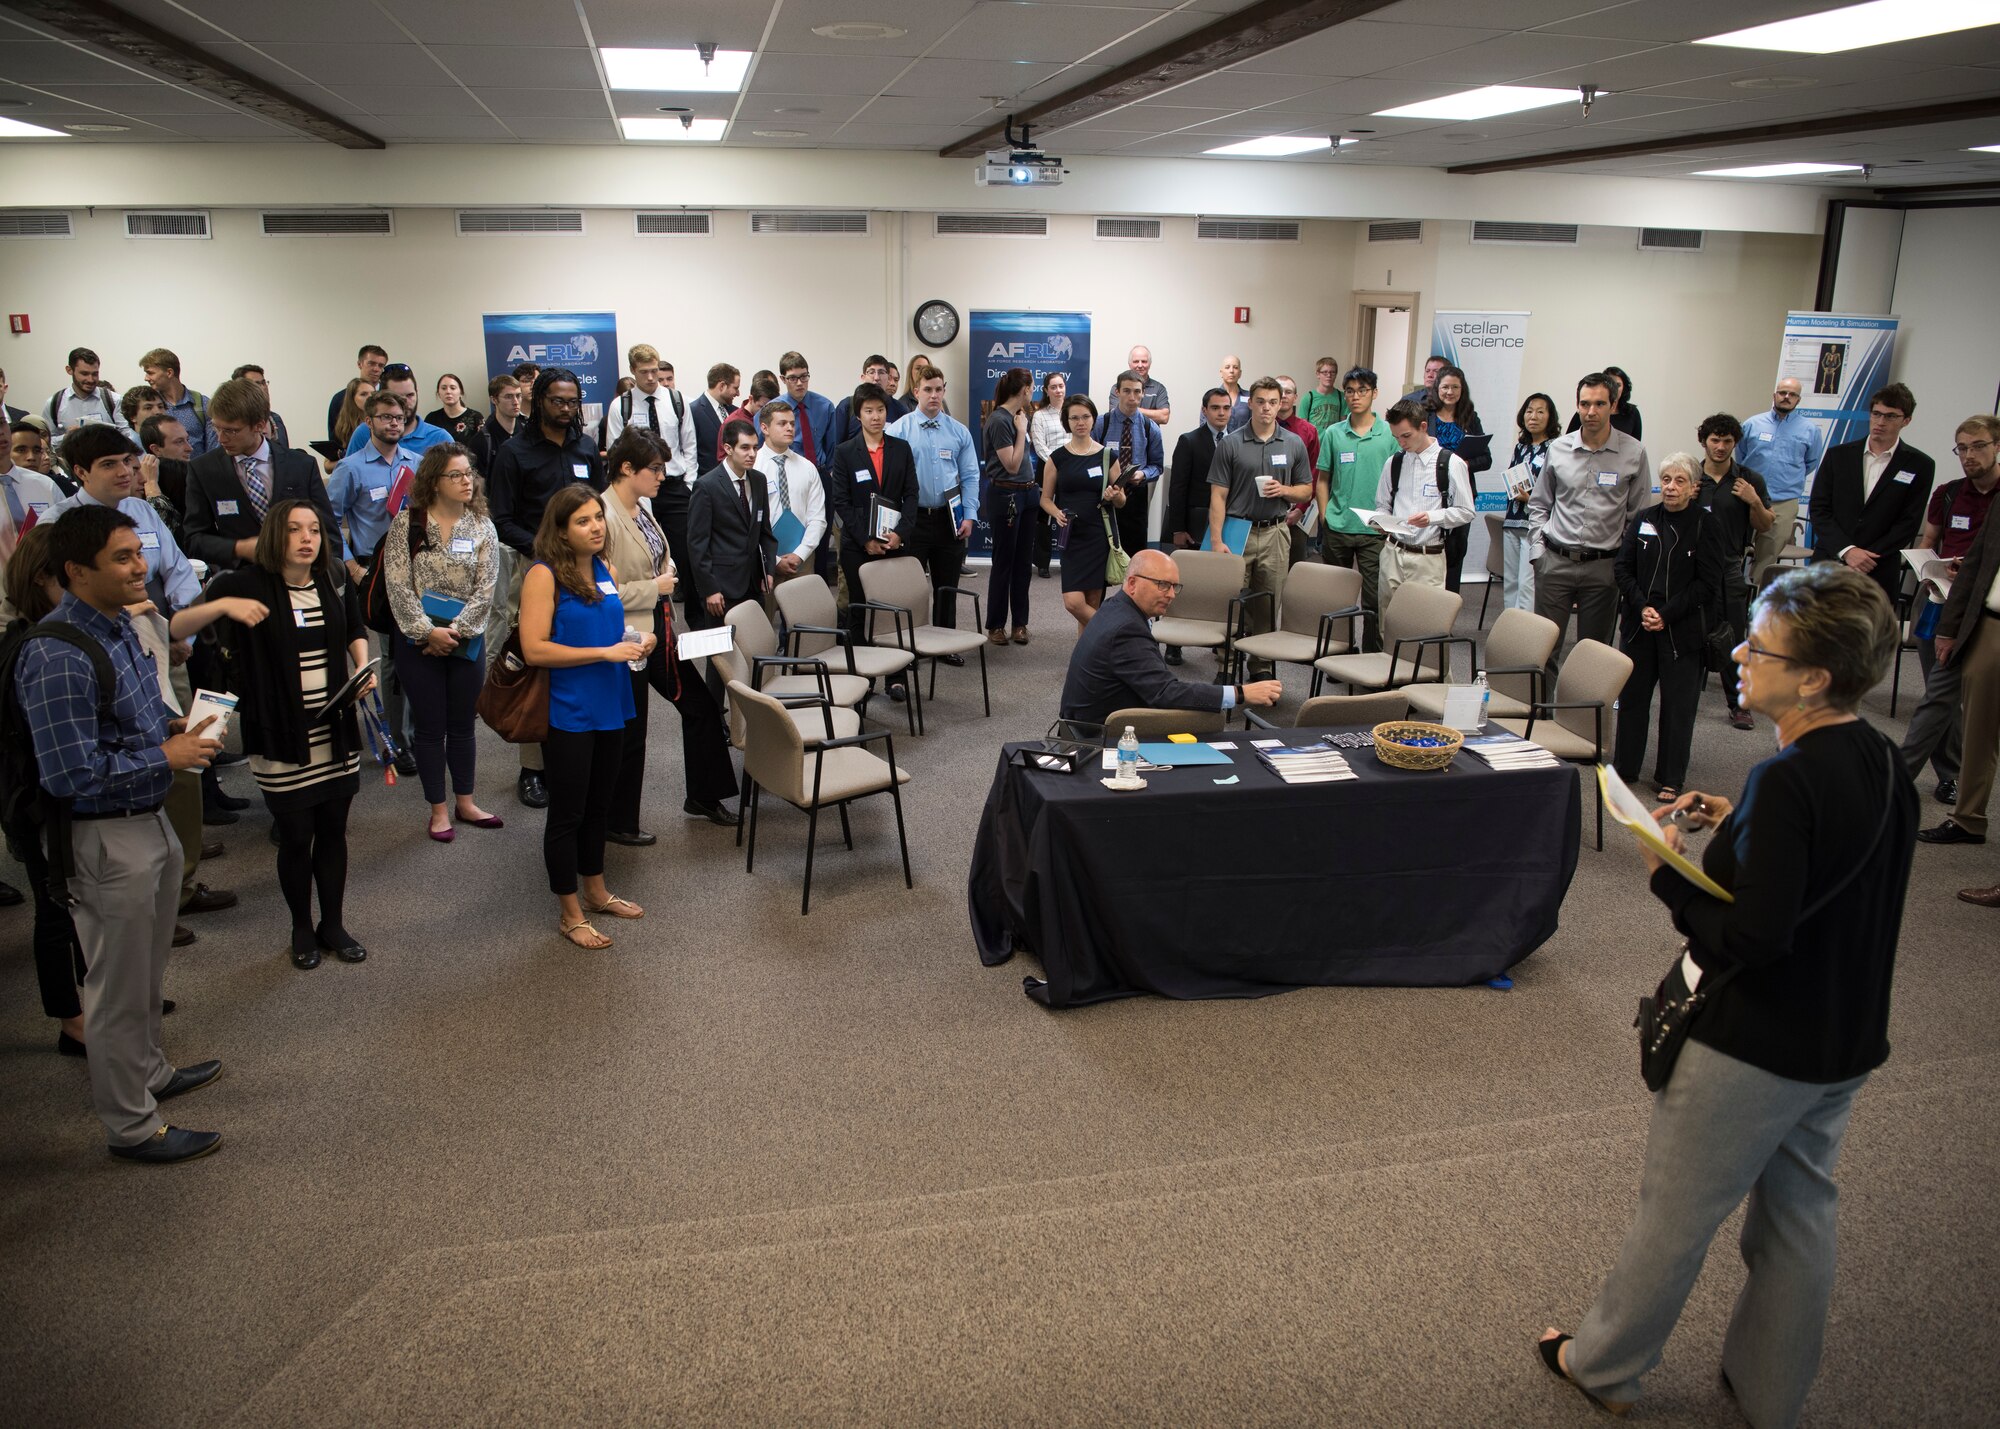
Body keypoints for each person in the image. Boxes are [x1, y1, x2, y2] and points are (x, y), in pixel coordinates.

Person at [1540, 563, 1916, 1428]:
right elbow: (1831, 863)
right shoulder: (1878, 758)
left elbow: (1752, 937)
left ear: (1815, 676)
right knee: (1797, 1219)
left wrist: (1660, 871)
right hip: (1843, 1038)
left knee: (1674, 1217)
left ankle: (1604, 1364)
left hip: (1755, 1043)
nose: (1740, 653)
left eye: (1762, 645)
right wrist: (1741, 813)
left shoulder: (1789, 782)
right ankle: (1770, 1392)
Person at [14, 504, 225, 1162]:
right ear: (77, 571)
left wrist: (170, 735)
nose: (143, 566)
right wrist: (165, 757)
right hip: (102, 835)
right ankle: (131, 1124)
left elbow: (131, 721)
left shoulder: (121, 627)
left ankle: (151, 1071)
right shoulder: (54, 654)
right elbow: (68, 772)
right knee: (113, 984)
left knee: (145, 971)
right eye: (123, 558)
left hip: (147, 817)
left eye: (141, 552)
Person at [206, 500, 372, 969]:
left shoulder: (332, 576)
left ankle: (333, 923)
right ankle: (302, 924)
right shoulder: (243, 585)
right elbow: (197, 643)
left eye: (315, 530)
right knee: (297, 834)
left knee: (333, 831)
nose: (307, 539)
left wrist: (361, 667)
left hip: (334, 728)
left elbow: (354, 629)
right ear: (275, 535)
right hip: (279, 732)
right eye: (296, 530)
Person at [517, 483, 650, 950]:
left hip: (612, 702)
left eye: (598, 517)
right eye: (583, 521)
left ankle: (595, 890)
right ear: (560, 529)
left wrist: (636, 640)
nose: (596, 527)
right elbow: (534, 648)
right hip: (569, 709)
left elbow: (611, 627)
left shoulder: (603, 567)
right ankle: (569, 912)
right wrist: (604, 652)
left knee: (600, 804)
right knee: (568, 813)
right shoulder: (544, 575)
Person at [600, 429, 738, 839]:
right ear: (627, 468)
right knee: (632, 733)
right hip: (627, 639)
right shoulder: (602, 515)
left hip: (660, 630)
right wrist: (653, 588)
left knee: (700, 707)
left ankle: (703, 796)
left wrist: (669, 573)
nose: (663, 476)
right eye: (656, 469)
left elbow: (660, 554)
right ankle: (618, 823)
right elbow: (596, 592)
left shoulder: (641, 506)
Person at [488, 367, 604, 809]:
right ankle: (532, 767)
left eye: (573, 401)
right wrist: (543, 551)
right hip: (534, 570)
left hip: (584, 570)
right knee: (537, 664)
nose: (566, 409)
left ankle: (576, 751)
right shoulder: (515, 452)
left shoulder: (586, 448)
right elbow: (502, 518)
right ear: (539, 401)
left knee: (581, 654)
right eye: (557, 401)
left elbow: (598, 508)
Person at [380, 444, 501, 842]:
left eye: (469, 473)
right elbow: (397, 586)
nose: (467, 481)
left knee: (463, 725)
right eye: (456, 475)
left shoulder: (482, 525)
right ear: (434, 481)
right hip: (418, 641)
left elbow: (487, 589)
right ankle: (438, 811)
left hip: (467, 641)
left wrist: (457, 633)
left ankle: (465, 802)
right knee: (430, 729)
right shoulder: (406, 523)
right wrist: (426, 632)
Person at [1612, 454, 1727, 803]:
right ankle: (1626, 768)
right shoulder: (1645, 518)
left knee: (1678, 708)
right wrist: (1643, 606)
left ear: (1694, 487)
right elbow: (1623, 568)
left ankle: (1670, 777)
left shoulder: (1707, 526)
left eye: (1680, 481)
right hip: (1640, 625)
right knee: (1632, 700)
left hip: (1682, 630)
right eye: (1666, 479)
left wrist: (1665, 613)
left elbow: (1707, 584)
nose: (1671, 487)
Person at [1059, 548, 1280, 724]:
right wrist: (1240, 693)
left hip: (1084, 726)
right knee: (1208, 724)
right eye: (1163, 585)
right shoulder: (1126, 630)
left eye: (1175, 587)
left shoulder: (1114, 607)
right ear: (1133, 583)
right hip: (1098, 740)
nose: (1172, 595)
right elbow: (1166, 693)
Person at [1899, 415, 1999, 804]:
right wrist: (1934, 566)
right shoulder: (1949, 492)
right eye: (1962, 448)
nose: (1969, 455)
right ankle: (1949, 774)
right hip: (1940, 597)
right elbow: (1930, 540)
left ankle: (1903, 777)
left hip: (1983, 608)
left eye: (1978, 446)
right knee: (1938, 691)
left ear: (1997, 446)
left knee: (1941, 694)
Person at [1531, 372, 1655, 678]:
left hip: (1603, 567)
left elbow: (1638, 517)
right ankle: (1541, 719)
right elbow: (1539, 504)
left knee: (1593, 653)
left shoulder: (1634, 453)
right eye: (1585, 404)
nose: (1591, 411)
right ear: (1577, 405)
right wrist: (1538, 552)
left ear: (1613, 405)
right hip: (1555, 561)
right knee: (1544, 649)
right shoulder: (1558, 449)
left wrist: (1622, 566)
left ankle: (1579, 723)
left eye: (1599, 404)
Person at [1206, 377, 1312, 680]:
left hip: (1276, 532)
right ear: (1250, 402)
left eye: (1273, 402)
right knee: (1231, 600)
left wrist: (1285, 491)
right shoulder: (1231, 443)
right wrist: (1216, 540)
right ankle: (1227, 666)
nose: (1266, 408)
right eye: (1261, 401)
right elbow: (1218, 495)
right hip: (1237, 529)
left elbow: (1306, 491)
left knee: (1268, 602)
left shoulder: (1293, 443)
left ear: (1281, 404)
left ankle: (1261, 667)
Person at [1918, 469, 2000, 849]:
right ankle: (1968, 819)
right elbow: (1976, 565)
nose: (1968, 456)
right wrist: (1949, 629)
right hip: (1989, 624)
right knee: (1977, 727)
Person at [182, 376, 337, 573]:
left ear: (258, 425)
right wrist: (239, 548)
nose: (221, 438)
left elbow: (328, 531)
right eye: (216, 428)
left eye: (231, 431)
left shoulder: (301, 465)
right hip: (242, 580)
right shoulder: (204, 469)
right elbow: (194, 539)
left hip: (300, 576)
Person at [1808, 381, 1936, 605]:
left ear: (1906, 421)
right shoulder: (1838, 455)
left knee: (1868, 637)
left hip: (1878, 567)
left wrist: (1866, 557)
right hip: (1832, 560)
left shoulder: (1919, 464)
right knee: (1817, 633)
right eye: (1876, 414)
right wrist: (1848, 551)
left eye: (1890, 416)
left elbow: (1909, 522)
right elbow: (1819, 509)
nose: (1880, 422)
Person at [1693, 413, 1775, 732]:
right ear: (1704, 441)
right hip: (1691, 564)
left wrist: (1754, 501)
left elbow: (1765, 524)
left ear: (1735, 443)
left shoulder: (1748, 479)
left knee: (1733, 635)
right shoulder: (1690, 475)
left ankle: (1739, 705)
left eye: (1728, 441)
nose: (1721, 446)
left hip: (1728, 566)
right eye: (1715, 439)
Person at [830, 381, 916, 672]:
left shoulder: (901, 449)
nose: (875, 416)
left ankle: (896, 676)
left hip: (894, 542)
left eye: (880, 410)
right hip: (858, 545)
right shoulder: (844, 452)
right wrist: (866, 538)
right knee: (858, 609)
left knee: (892, 610)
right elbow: (841, 502)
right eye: (869, 411)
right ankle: (862, 676)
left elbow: (911, 495)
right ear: (859, 415)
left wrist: (900, 533)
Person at [888, 369, 978, 632]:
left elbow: (971, 476)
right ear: (916, 392)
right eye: (928, 389)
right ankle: (912, 645)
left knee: (947, 586)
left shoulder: (959, 432)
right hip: (912, 520)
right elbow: (891, 482)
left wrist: (970, 515)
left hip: (948, 519)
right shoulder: (898, 430)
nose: (934, 395)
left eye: (939, 389)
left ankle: (944, 643)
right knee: (911, 588)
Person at [603, 343, 697, 593]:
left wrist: (688, 484)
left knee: (686, 556)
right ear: (633, 370)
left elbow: (689, 445)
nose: (651, 377)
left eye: (654, 370)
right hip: (637, 490)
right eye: (644, 371)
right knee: (644, 554)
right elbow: (614, 452)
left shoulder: (677, 401)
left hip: (675, 485)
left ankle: (693, 622)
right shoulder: (621, 407)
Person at [1373, 401, 1474, 607]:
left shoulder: (1451, 463)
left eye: (1406, 436)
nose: (1401, 443)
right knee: (1387, 619)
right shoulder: (1394, 462)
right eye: (1396, 437)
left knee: (1422, 623)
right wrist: (1381, 520)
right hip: (1393, 553)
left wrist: (1432, 518)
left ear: (1423, 427)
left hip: (1428, 557)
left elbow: (1466, 511)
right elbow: (1383, 504)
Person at [1039, 394, 1125, 637]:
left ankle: (1086, 662)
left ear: (1093, 419)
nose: (1080, 422)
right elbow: (1045, 499)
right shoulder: (1057, 458)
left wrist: (1114, 495)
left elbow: (1121, 500)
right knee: (1074, 603)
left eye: (1085, 416)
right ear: (1067, 422)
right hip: (1072, 536)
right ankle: (1117, 633)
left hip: (1098, 536)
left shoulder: (1107, 456)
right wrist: (1056, 512)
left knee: (1092, 602)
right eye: (1074, 417)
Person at [1161, 387, 1234, 664]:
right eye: (1215, 408)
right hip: (1192, 520)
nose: (1221, 413)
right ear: (1205, 410)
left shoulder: (1236, 441)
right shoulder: (1189, 441)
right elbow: (1177, 488)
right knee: (1182, 583)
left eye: (1226, 408)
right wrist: (1178, 528)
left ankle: (1217, 641)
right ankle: (1174, 642)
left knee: (1218, 583)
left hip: (1225, 522)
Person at [1740, 378, 1825, 586]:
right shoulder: (1752, 424)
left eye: (1792, 394)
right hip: (1747, 496)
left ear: (1798, 399)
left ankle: (1757, 605)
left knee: (1767, 557)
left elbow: (1810, 463)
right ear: (1774, 395)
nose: (1787, 397)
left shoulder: (1810, 430)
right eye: (1783, 392)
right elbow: (1741, 456)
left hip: (1783, 501)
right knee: (1735, 550)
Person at [980, 368, 1037, 646]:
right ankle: (995, 625)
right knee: (1004, 563)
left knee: (1023, 564)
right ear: (1025, 390)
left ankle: (1020, 624)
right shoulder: (1000, 420)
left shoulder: (1017, 417)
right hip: (1006, 496)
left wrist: (1022, 428)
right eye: (1033, 388)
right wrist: (1022, 432)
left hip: (1028, 496)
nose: (1033, 392)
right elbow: (1012, 465)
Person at [751, 400, 827, 587]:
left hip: (802, 558)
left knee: (802, 615)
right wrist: (774, 560)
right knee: (762, 616)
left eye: (792, 424)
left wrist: (800, 554)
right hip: (763, 559)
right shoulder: (753, 466)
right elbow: (747, 522)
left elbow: (818, 517)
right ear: (764, 428)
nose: (789, 428)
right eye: (782, 423)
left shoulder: (807, 467)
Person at [1426, 364, 1487, 592]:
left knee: (1455, 554)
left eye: (1455, 387)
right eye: (1445, 387)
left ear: (1463, 390)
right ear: (1437, 388)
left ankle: (1447, 614)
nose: (1449, 392)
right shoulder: (1425, 415)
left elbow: (1486, 459)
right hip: (1429, 493)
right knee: (1429, 552)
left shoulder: (1470, 418)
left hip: (1461, 495)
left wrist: (1462, 465)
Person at [1501, 393, 1560, 616]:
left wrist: (1531, 498)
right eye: (1529, 410)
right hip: (1512, 519)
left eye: (1540, 411)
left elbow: (1558, 489)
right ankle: (1510, 626)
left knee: (1527, 583)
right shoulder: (1520, 447)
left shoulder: (1556, 448)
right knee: (1511, 581)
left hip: (1535, 525)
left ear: (1550, 417)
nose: (1533, 416)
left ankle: (1524, 635)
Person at [342, 363, 451, 459]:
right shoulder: (364, 432)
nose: (405, 403)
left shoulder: (440, 438)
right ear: (383, 396)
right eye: (397, 397)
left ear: (417, 393)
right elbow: (349, 473)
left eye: (410, 395)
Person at [1276, 377, 1323, 565]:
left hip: (1296, 511)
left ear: (1295, 397)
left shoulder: (1308, 431)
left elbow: (1314, 471)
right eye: (1279, 391)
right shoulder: (1260, 428)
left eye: (1288, 392)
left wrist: (1301, 510)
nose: (1283, 395)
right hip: (1263, 514)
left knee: (1293, 565)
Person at [1028, 371, 1069, 579]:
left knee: (1068, 515)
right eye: (1053, 387)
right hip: (1047, 468)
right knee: (1044, 518)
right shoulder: (1040, 415)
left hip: (1071, 469)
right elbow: (1039, 445)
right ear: (1046, 390)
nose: (1058, 390)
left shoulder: (1072, 411)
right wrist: (1057, 463)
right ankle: (1042, 562)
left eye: (1061, 385)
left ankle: (1068, 560)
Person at [139, 348, 210, 458]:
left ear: (169, 373)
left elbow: (214, 447)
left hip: (200, 471)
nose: (146, 378)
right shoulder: (150, 407)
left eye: (150, 373)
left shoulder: (202, 404)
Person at [44, 347, 131, 435]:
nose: (90, 380)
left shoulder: (114, 401)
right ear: (69, 370)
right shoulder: (54, 404)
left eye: (95, 374)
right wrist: (66, 438)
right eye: (84, 374)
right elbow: (46, 441)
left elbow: (127, 436)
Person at [828, 355, 904, 450]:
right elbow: (836, 446)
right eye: (871, 372)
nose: (876, 378)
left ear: (888, 378)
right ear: (863, 377)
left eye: (881, 372)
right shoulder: (847, 406)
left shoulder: (900, 409)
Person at [218, 363, 291, 453]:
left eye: (263, 383)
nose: (263, 387)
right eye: (256, 384)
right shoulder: (227, 421)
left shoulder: (275, 418)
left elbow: (285, 453)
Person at [327, 344, 387, 444]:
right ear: (359, 364)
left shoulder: (389, 398)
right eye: (371, 363)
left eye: (381, 366)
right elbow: (334, 440)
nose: (376, 369)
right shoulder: (340, 398)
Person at [1565, 364, 1642, 440]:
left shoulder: (1632, 412)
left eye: (1618, 385)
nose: (1591, 412)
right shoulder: (1585, 413)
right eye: (1585, 404)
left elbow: (1636, 442)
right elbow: (1569, 439)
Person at [691, 362, 740, 471]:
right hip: (707, 482)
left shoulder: (736, 412)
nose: (738, 393)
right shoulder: (693, 411)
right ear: (722, 386)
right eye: (735, 388)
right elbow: (690, 453)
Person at [1114, 344, 1170, 426]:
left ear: (1150, 364)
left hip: (1149, 437)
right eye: (1136, 361)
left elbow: (1164, 417)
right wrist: (1153, 414)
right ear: (1129, 364)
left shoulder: (1159, 388)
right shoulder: (1118, 387)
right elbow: (1115, 413)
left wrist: (1129, 409)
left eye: (1144, 361)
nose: (1140, 365)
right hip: (1122, 436)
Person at [424, 373, 483, 448]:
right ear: (438, 394)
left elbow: (483, 449)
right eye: (444, 388)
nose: (448, 392)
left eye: (453, 388)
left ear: (461, 393)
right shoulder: (431, 418)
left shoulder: (476, 417)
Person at [330, 377, 375, 464]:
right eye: (364, 394)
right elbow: (327, 465)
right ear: (352, 398)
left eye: (373, 394)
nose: (370, 397)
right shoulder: (342, 427)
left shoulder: (380, 424)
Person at [1296, 357, 1347, 432]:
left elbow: (1344, 425)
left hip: (1334, 442)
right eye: (1325, 372)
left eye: (1332, 372)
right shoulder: (1308, 398)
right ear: (1318, 374)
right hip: (1315, 443)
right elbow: (1303, 429)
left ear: (1336, 374)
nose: (1329, 375)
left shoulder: (1342, 397)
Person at [1217, 354, 1247, 431]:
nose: (1231, 371)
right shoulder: (1212, 398)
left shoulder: (1250, 397)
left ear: (1240, 373)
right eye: (1227, 367)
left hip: (1244, 442)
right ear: (1221, 372)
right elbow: (1204, 426)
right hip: (1218, 442)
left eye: (1235, 367)